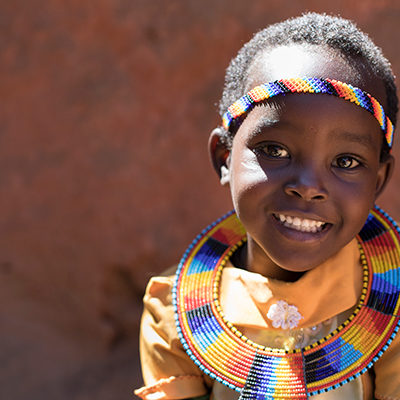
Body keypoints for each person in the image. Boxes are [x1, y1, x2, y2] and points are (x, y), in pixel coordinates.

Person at [135, 13, 400, 400]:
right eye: (275, 151)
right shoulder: (174, 311)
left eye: (346, 161)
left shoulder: (392, 309)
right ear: (224, 157)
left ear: (378, 181)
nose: (308, 187)